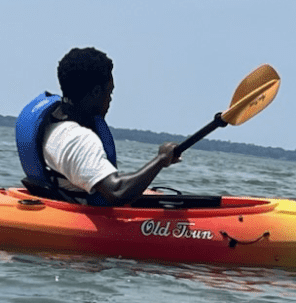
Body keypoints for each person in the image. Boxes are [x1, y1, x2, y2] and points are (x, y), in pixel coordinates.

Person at [15, 47, 178, 206]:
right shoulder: (78, 141)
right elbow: (117, 192)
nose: (110, 99)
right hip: (82, 223)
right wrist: (161, 160)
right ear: (96, 92)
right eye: (109, 92)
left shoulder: (53, 122)